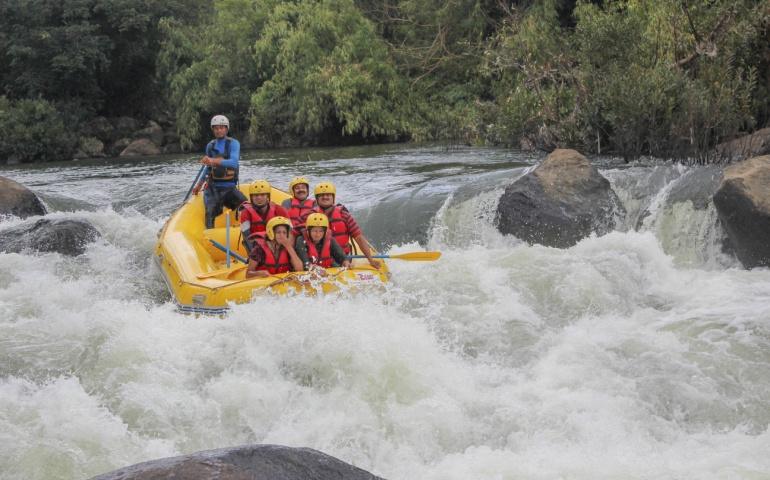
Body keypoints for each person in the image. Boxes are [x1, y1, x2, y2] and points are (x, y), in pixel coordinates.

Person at [192, 115, 247, 229]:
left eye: (221, 128)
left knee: (246, 206)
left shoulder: (233, 143)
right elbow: (208, 168)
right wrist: (199, 185)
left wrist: (212, 160)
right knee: (210, 215)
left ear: (226, 129)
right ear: (213, 130)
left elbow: (233, 163)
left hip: (229, 187)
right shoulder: (210, 146)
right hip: (213, 189)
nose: (219, 130)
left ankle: (244, 231)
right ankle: (209, 234)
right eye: (216, 128)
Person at [311, 181, 381, 268]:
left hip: (342, 258)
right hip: (319, 259)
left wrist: (371, 260)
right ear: (317, 199)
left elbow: (359, 238)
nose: (325, 197)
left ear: (333, 197)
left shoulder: (344, 215)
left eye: (328, 195)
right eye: (321, 195)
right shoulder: (310, 216)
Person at [239, 179, 289, 252]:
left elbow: (289, 232)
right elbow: (246, 236)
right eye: (256, 195)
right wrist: (255, 253)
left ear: (268, 196)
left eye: (262, 195)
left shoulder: (279, 210)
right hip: (256, 247)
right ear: (251, 198)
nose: (259, 198)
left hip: (277, 245)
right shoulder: (245, 213)